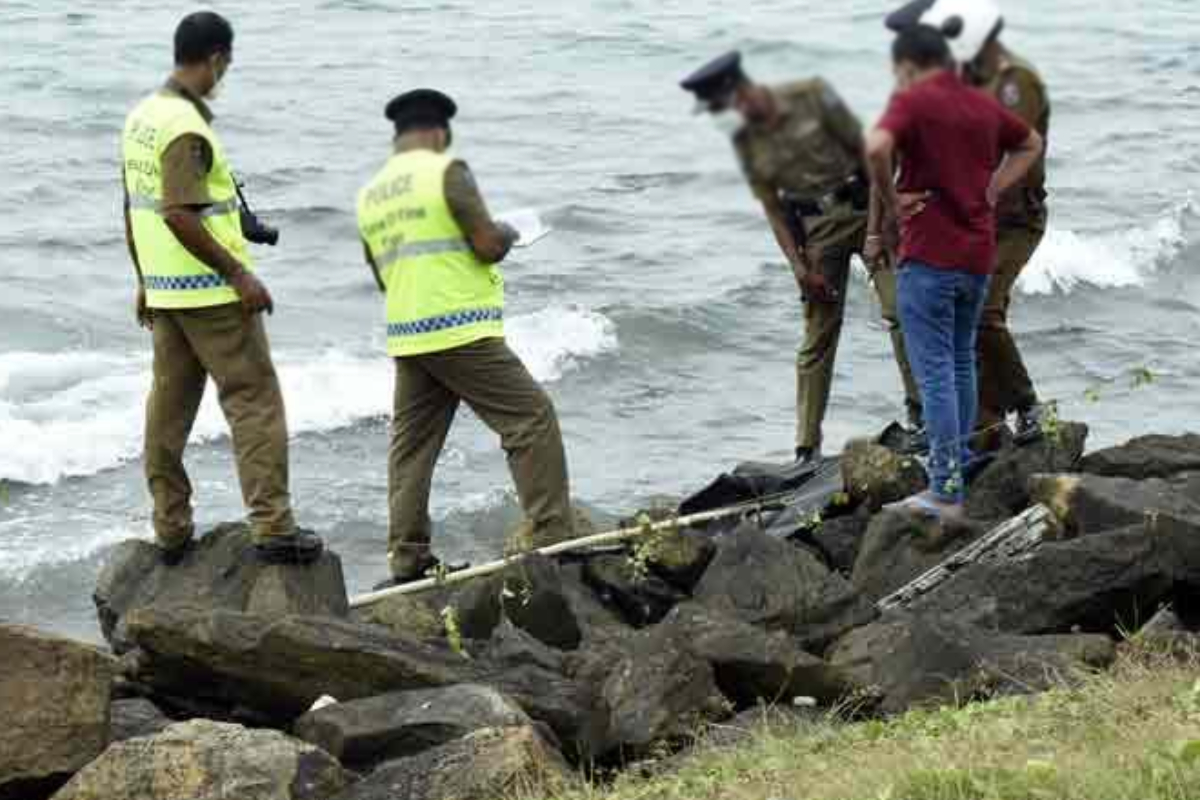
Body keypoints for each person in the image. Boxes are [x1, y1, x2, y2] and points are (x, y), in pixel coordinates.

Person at [121, 12, 322, 565]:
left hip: (166, 295)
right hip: (211, 295)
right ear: (214, 58)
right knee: (254, 402)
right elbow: (179, 215)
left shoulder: (142, 116)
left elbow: (130, 207)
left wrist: (143, 279)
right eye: (224, 64)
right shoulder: (186, 127)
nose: (223, 75)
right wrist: (240, 274)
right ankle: (274, 528)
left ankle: (170, 528)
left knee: (167, 412)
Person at [356, 89, 574, 587]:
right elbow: (488, 245)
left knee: (411, 447)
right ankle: (552, 536)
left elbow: (380, 274)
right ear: (438, 132)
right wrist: (511, 233)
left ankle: (407, 555)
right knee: (531, 419)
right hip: (460, 328)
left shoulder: (372, 193)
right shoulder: (446, 172)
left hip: (409, 333)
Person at [680, 52, 925, 467]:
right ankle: (806, 448)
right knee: (817, 338)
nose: (726, 116)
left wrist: (876, 231)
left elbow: (867, 154)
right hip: (816, 235)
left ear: (740, 91)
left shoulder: (812, 94)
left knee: (902, 311)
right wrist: (799, 268)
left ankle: (922, 416)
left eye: (725, 106)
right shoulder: (744, 139)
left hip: (866, 212)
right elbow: (773, 210)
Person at [866, 24, 1043, 516]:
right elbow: (1030, 143)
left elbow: (876, 147)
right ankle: (961, 458)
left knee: (937, 373)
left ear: (907, 65)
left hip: (931, 258)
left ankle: (944, 490)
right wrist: (992, 188)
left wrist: (890, 201)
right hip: (977, 255)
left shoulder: (914, 99)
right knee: (962, 359)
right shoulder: (980, 101)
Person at [886, 0, 1051, 448]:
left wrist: (989, 188)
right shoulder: (959, 82)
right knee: (960, 331)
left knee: (984, 314)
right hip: (970, 219)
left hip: (1015, 219)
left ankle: (1026, 404)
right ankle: (980, 427)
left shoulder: (1015, 82)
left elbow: (1014, 144)